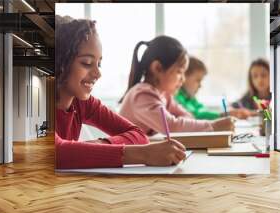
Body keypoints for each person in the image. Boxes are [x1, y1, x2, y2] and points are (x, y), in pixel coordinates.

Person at [55, 16, 186, 169]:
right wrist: (144, 154)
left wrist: (100, 146)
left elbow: (139, 135)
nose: (98, 73)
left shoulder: (83, 103)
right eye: (87, 63)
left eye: (99, 63)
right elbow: (57, 151)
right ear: (60, 61)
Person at [119, 36, 234, 136]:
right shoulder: (142, 94)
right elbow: (171, 126)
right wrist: (213, 126)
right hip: (126, 158)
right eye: (179, 72)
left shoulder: (165, 96)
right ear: (157, 68)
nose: (183, 79)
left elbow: (188, 116)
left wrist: (182, 124)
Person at [175, 56, 253, 120]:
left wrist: (225, 113)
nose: (200, 86)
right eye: (198, 80)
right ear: (183, 77)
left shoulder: (190, 98)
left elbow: (203, 110)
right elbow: (195, 116)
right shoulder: (176, 97)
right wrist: (225, 114)